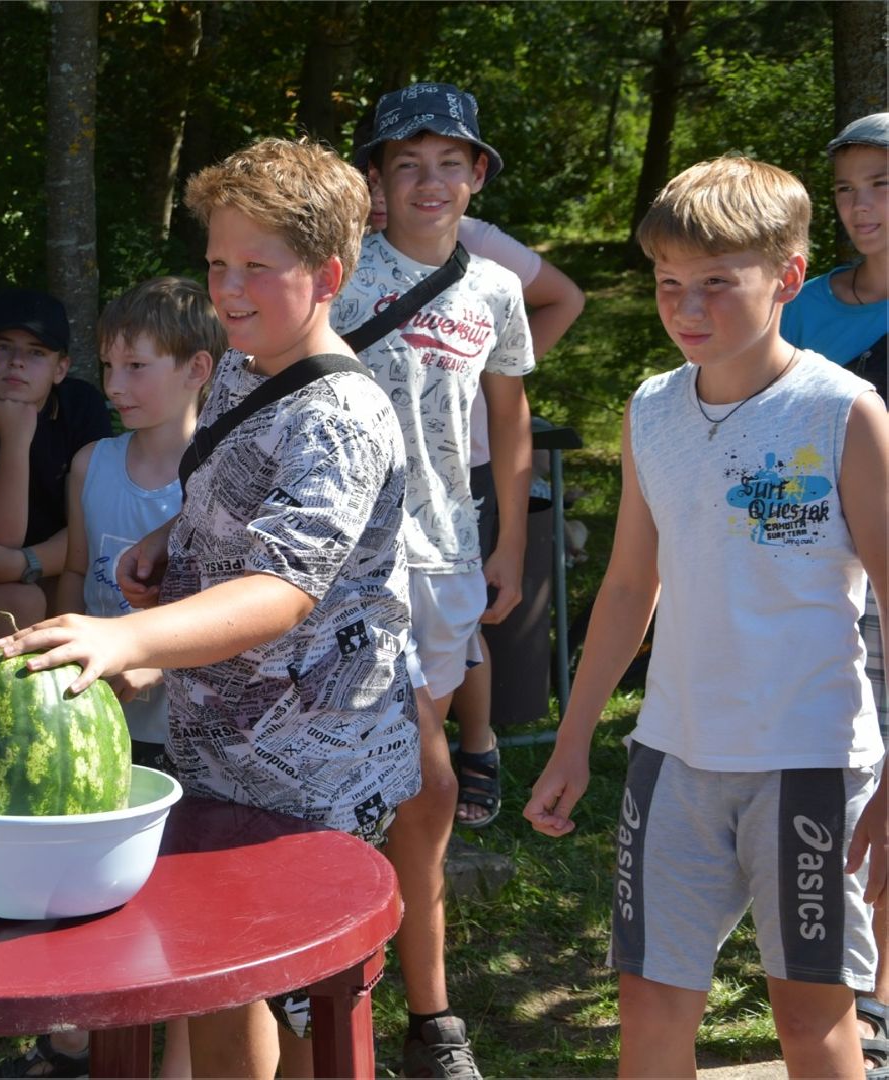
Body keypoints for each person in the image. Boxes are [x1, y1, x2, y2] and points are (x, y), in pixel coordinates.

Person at [0, 137, 421, 1080]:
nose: (227, 288)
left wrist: (126, 635)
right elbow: (222, 492)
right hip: (218, 752)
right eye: (216, 263)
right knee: (228, 984)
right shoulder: (242, 363)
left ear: (328, 275)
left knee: (317, 1009)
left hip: (315, 769)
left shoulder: (340, 418)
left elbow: (280, 591)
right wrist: (169, 541)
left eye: (256, 269)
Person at [525, 156, 889, 1077]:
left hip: (808, 764)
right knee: (647, 1010)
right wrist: (573, 743)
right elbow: (624, 588)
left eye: (718, 284)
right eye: (667, 284)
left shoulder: (845, 412)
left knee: (809, 1022)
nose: (687, 308)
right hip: (671, 760)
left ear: (788, 278)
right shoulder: (651, 407)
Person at [331, 82, 535, 1076]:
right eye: (405, 163)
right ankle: (386, 1004)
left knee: (412, 795)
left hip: (452, 557)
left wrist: (507, 545)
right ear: (375, 178)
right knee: (420, 774)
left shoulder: (494, 288)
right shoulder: (334, 278)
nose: (428, 181)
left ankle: (413, 1008)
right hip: (343, 563)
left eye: (448, 162)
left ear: (477, 174)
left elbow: (509, 419)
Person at [0, 276, 219, 1080]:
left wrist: (151, 665)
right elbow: (76, 578)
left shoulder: (217, 471)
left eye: (136, 368)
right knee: (77, 889)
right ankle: (69, 1040)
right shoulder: (91, 462)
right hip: (94, 721)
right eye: (109, 366)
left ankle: (177, 1063)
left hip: (184, 730)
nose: (114, 387)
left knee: (183, 901)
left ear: (199, 368)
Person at [369, 179, 587, 827]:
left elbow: (563, 299)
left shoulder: (477, 244)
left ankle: (473, 751)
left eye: (441, 164)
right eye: (387, 173)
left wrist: (479, 387)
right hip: (376, 485)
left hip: (461, 476)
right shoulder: (344, 255)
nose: (392, 193)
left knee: (463, 621)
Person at [780, 111, 889, 1080]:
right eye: (847, 190)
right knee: (855, 787)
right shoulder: (808, 308)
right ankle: (865, 1001)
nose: (861, 208)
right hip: (823, 584)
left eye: (881, 186)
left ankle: (881, 1001)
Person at [0, 288, 112, 651]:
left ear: (61, 368)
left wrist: (23, 563)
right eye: (3, 347)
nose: (16, 362)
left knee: (81, 594)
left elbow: (95, 522)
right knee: (20, 604)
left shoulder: (81, 407)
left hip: (46, 568)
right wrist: (15, 439)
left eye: (36, 352)